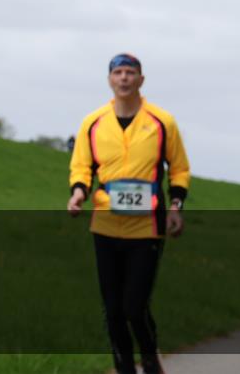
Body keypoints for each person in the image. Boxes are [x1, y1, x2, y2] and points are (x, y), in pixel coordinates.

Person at [67, 53, 190, 374]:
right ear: (109, 79)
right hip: (105, 224)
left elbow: (178, 169)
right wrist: (78, 192)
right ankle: (123, 367)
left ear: (141, 80)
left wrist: (176, 206)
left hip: (147, 226)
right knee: (113, 310)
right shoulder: (92, 122)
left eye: (130, 72)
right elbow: (81, 166)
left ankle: (149, 358)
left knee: (134, 307)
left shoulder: (162, 122)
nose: (124, 78)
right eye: (118, 72)